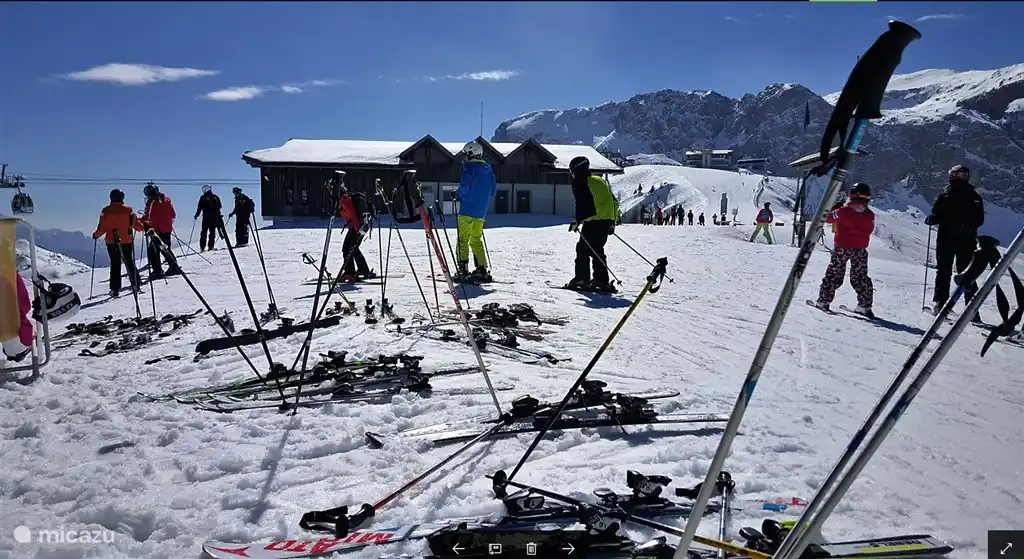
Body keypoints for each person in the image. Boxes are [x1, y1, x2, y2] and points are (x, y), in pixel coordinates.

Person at [926, 164, 985, 319]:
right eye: (952, 174)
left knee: (948, 271)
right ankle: (969, 309)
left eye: (955, 174)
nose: (953, 177)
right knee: (964, 273)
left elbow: (978, 219)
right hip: (960, 239)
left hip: (953, 238)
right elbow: (979, 220)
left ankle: (943, 304)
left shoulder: (955, 195)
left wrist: (936, 219)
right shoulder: (968, 196)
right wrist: (935, 218)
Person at [814, 183, 875, 318]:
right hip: (860, 249)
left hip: (842, 247)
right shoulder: (870, 215)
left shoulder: (842, 211)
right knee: (860, 277)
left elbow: (828, 217)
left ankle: (823, 301)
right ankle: (864, 306)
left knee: (834, 274)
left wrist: (836, 207)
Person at [567, 156, 619, 293]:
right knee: (597, 251)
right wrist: (612, 221)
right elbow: (614, 202)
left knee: (582, 250)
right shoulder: (599, 180)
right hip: (606, 221)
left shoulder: (582, 182)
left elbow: (583, 205)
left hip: (593, 222)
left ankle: (582, 279)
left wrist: (577, 222)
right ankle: (600, 280)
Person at [454, 141, 498, 281]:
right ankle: (481, 269)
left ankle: (462, 270)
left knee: (462, 240)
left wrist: (457, 194)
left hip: (467, 210)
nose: (465, 157)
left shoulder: (469, 168)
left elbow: (465, 186)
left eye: (467, 154)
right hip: (481, 213)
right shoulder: (489, 170)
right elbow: (492, 191)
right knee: (475, 240)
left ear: (471, 153)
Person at [92, 189, 144, 297]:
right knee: (129, 261)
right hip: (127, 240)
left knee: (115, 264)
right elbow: (136, 224)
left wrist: (96, 235)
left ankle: (115, 289)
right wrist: (144, 227)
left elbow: (102, 227)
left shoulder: (106, 211)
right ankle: (136, 284)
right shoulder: (128, 210)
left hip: (112, 241)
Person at [334, 175, 376, 282]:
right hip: (360, 226)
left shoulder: (344, 199)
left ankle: (350, 273)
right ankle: (363, 270)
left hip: (358, 227)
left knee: (347, 249)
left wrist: (358, 228)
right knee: (353, 248)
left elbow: (352, 214)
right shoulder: (345, 198)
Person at [142, 182, 181, 278]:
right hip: (167, 228)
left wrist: (140, 221)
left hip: (157, 229)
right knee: (165, 248)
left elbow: (148, 216)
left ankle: (158, 271)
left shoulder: (151, 202)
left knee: (153, 250)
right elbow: (173, 214)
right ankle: (173, 267)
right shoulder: (167, 200)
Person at [2, 271, 33, 362]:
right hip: (21, 344)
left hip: (6, 346)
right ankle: (24, 348)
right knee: (32, 322)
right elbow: (24, 305)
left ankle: (11, 351)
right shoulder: (12, 277)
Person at [194, 184, 223, 251]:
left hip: (205, 218)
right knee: (212, 232)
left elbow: (199, 207)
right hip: (214, 217)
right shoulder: (215, 197)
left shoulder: (202, 197)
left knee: (204, 232)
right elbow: (220, 206)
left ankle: (202, 247)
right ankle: (211, 246)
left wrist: (197, 215)